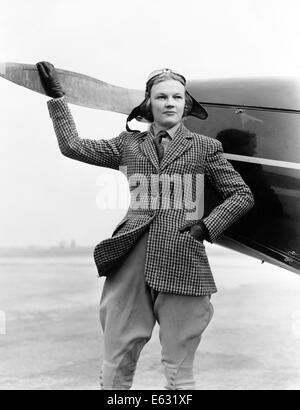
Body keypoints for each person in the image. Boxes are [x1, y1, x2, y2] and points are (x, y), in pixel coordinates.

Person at [36, 62, 255, 390]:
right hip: (130, 256)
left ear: (186, 104)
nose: (170, 103)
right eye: (162, 96)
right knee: (115, 361)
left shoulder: (205, 147)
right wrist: (57, 98)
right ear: (148, 103)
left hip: (182, 256)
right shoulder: (128, 144)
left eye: (178, 97)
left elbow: (241, 194)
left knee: (179, 370)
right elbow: (73, 147)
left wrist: (204, 228)